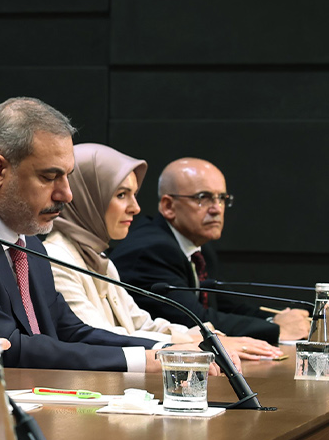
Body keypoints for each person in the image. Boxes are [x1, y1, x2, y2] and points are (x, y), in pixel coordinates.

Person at [0, 97, 183, 372]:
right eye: (49, 177)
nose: (66, 194)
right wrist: (141, 362)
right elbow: (3, 349)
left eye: (68, 176)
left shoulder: (29, 243)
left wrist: (166, 350)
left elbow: (69, 331)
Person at [46, 144, 278, 361]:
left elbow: (141, 324)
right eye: (121, 195)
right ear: (85, 197)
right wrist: (192, 346)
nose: (135, 207)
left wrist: (206, 337)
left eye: (134, 195)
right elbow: (98, 337)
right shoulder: (56, 259)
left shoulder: (99, 259)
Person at [109, 158, 305, 345]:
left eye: (222, 198)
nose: (217, 209)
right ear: (168, 206)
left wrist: (276, 318)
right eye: (203, 198)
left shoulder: (198, 249)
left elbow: (227, 305)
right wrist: (276, 328)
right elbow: (195, 320)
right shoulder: (151, 250)